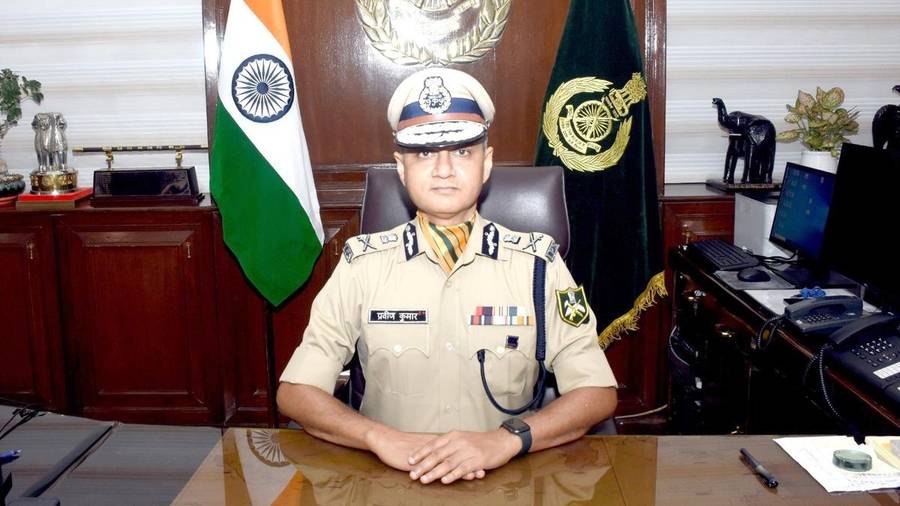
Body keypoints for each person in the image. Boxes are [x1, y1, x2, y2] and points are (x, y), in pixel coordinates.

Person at [277, 68, 617, 485]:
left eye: (462, 152)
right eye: (424, 153)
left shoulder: (538, 265)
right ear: (401, 168)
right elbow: (296, 392)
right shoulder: (361, 266)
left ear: (486, 163)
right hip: (389, 483)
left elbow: (596, 393)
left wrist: (506, 440)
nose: (443, 169)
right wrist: (378, 437)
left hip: (508, 482)